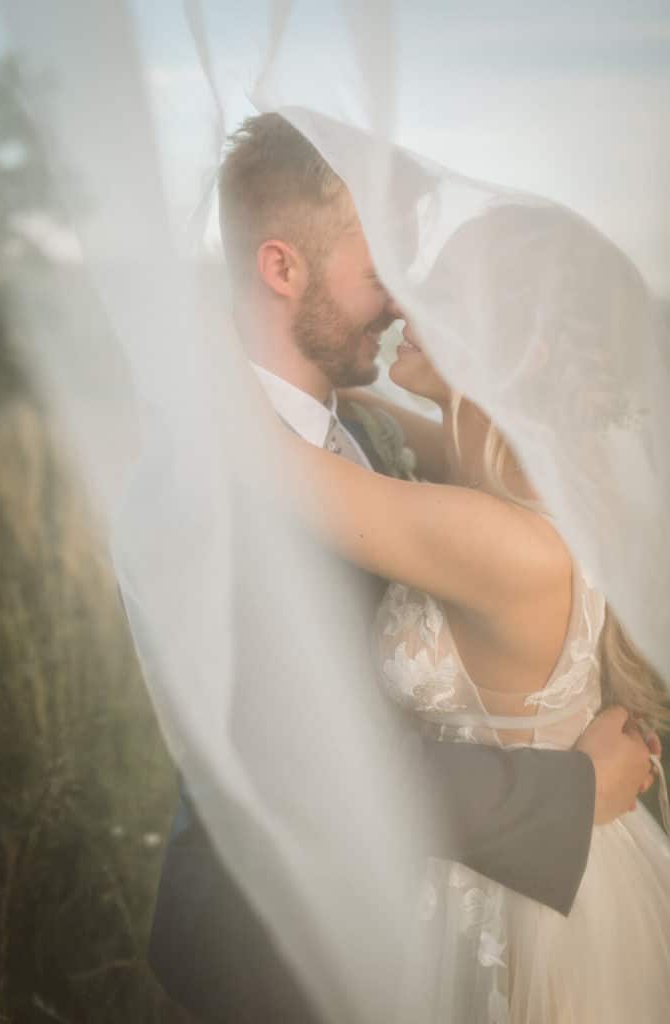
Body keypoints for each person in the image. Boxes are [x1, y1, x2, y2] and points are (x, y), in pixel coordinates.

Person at [148, 114, 656, 1023]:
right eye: (388, 268)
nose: (402, 304)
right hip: (275, 950)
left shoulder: (400, 469)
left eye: (442, 293)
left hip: (499, 914)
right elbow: (285, 761)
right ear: (281, 267)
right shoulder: (238, 476)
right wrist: (566, 793)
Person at [284, 200, 670, 1021]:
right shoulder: (525, 473)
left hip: (514, 896)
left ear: (522, 344)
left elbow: (270, 459)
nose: (403, 301)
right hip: (527, 847)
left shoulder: (501, 541)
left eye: (448, 291)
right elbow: (357, 421)